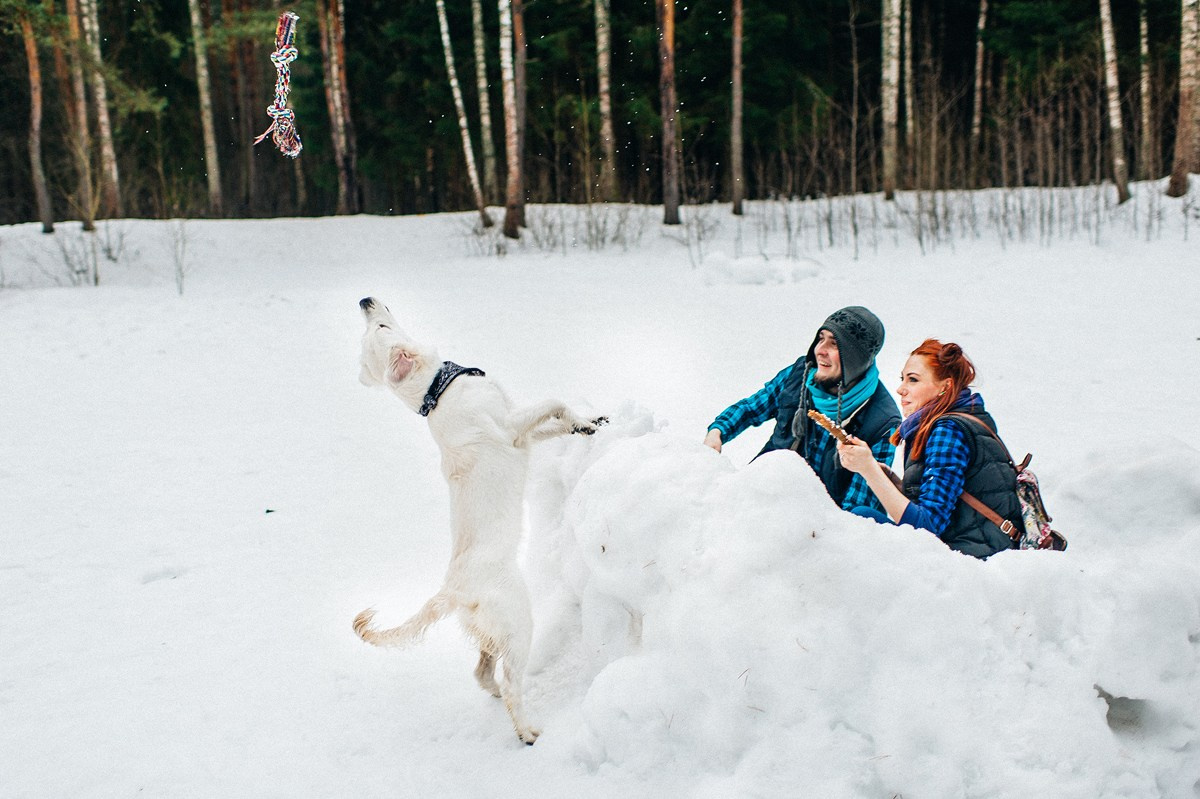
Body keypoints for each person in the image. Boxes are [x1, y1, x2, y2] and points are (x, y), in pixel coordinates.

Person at [704, 306, 901, 515]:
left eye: (834, 344)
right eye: (821, 338)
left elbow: (855, 509)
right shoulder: (801, 374)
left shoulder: (882, 422)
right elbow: (751, 408)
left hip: (818, 524)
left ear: (855, 358)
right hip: (765, 493)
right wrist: (717, 432)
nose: (820, 350)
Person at [836, 338, 1020, 559]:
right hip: (981, 548)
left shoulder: (948, 430)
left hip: (973, 562)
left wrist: (869, 471)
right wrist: (889, 479)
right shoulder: (966, 418)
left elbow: (927, 528)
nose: (900, 389)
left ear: (945, 387)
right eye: (902, 379)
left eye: (913, 380)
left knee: (861, 519)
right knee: (862, 518)